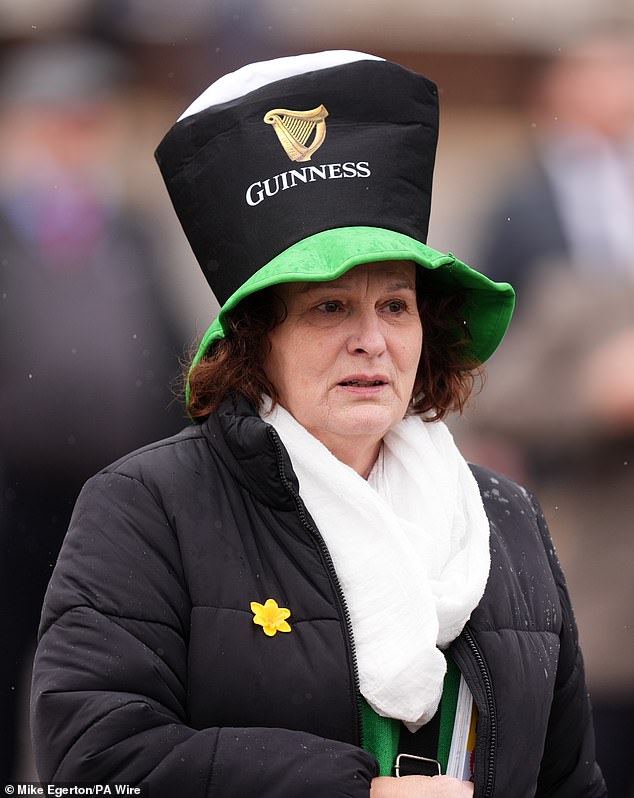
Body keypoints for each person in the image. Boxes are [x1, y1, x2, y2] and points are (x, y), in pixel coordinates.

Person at [31, 51, 606, 797]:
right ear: (255, 341)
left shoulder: (505, 515)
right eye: (329, 307)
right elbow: (92, 762)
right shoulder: (146, 507)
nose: (372, 340)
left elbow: (568, 780)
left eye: (395, 306)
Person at [0, 40, 183, 782]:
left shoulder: (130, 232)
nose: (75, 143)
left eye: (89, 123)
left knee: (103, 677)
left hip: (107, 499)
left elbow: (169, 353)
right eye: (59, 123)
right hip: (11, 500)